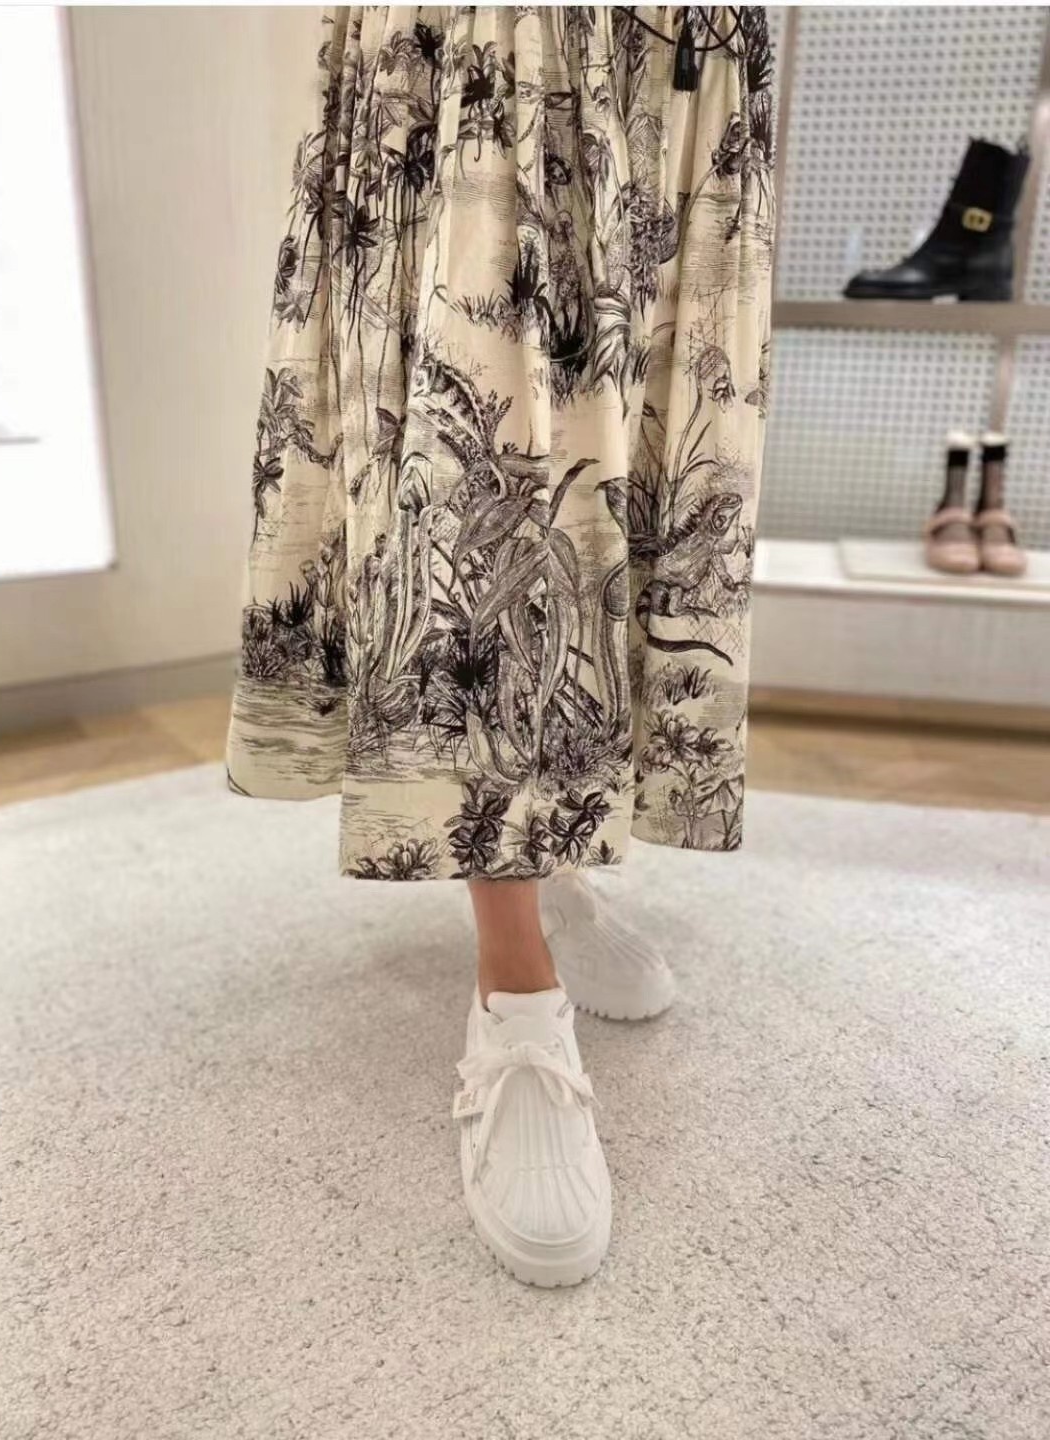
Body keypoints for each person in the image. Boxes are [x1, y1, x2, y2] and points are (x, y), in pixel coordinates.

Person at [226, 5, 775, 1287]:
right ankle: (514, 982)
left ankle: (553, 851)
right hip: (489, 31)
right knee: (500, 466)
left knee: (659, 449)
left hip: (682, 46)